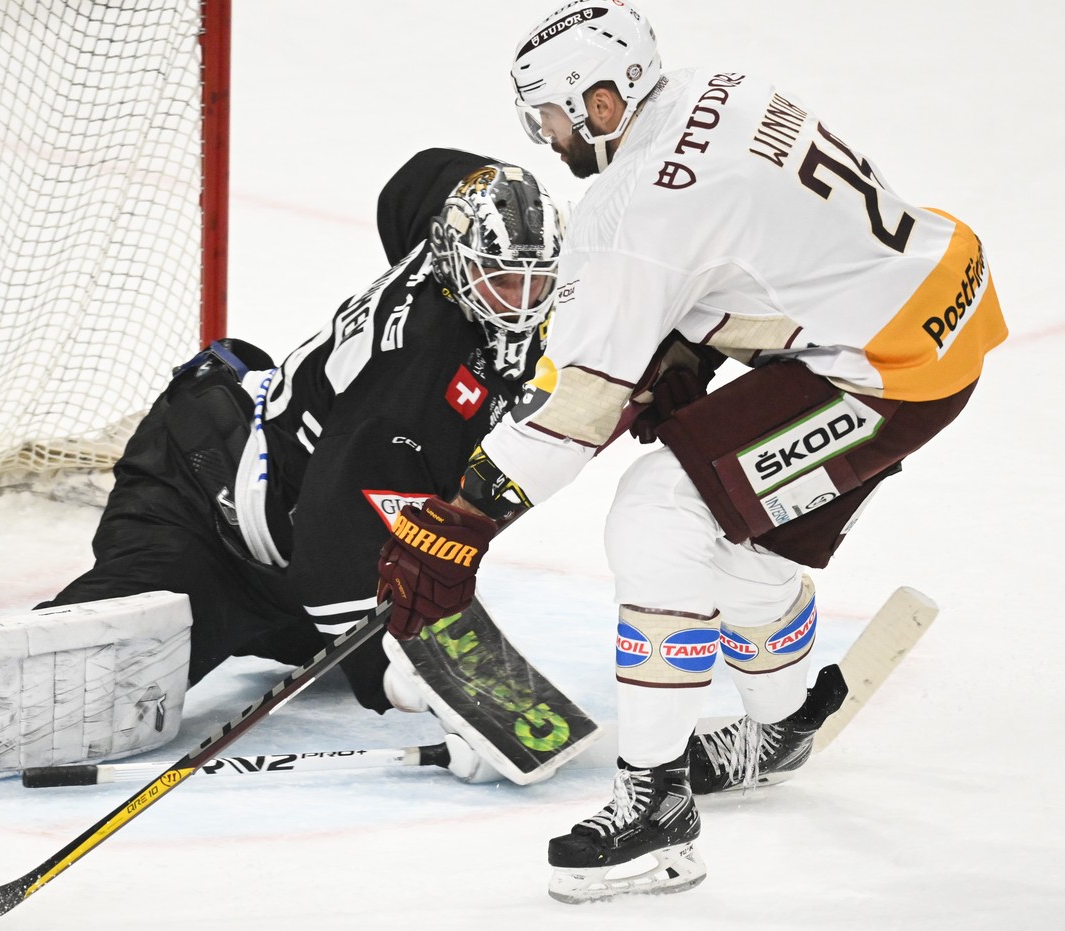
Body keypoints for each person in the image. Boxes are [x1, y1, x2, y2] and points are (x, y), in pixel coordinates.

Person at [0, 148, 571, 811]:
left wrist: (488, 192)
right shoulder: (411, 383)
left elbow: (414, 183)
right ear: (458, 266)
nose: (520, 303)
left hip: (286, 514)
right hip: (205, 503)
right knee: (96, 681)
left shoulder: (459, 247)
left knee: (319, 622)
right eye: (501, 284)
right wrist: (415, 676)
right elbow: (342, 540)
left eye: (534, 283)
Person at [376, 0, 1006, 904]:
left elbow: (573, 413)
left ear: (601, 103)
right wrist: (687, 345)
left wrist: (463, 524)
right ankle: (784, 723)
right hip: (943, 300)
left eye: (551, 118)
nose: (549, 139)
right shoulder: (726, 89)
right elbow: (760, 244)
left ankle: (654, 811)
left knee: (658, 513)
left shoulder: (631, 210)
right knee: (736, 549)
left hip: (887, 370)